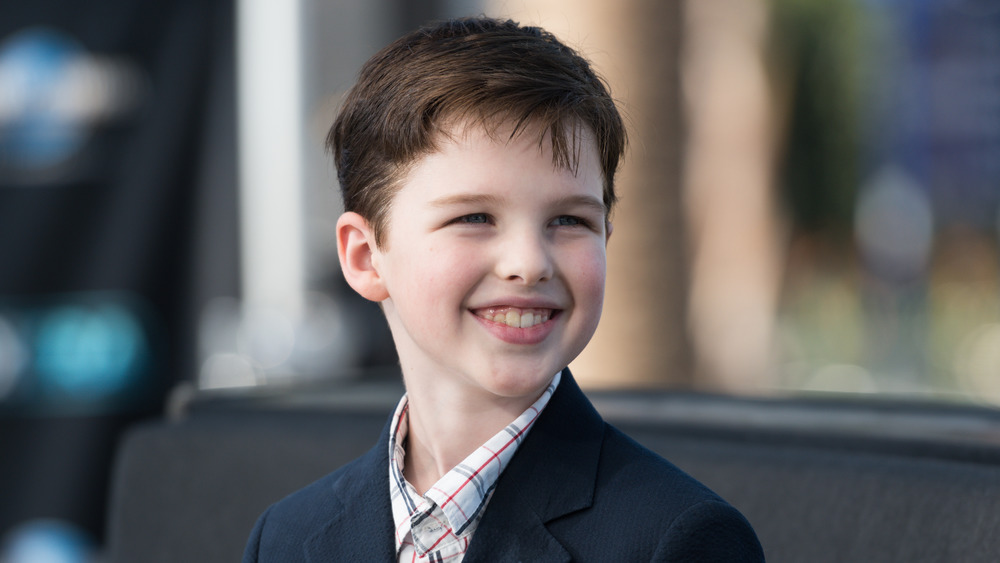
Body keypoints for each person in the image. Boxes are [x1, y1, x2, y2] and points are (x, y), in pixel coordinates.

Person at [242, 16, 764, 562]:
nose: (529, 263)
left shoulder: (678, 540)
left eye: (569, 221)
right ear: (365, 256)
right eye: (475, 216)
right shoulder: (287, 537)